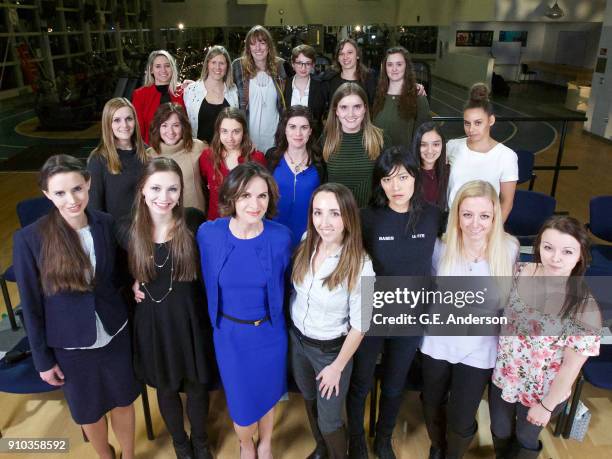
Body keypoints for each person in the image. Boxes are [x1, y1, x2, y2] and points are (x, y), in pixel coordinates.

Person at [13, 155, 140, 459]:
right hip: (70, 345)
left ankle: (130, 455)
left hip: (114, 333)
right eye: (60, 193)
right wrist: (43, 360)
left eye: (77, 189)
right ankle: (106, 455)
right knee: (89, 413)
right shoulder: (30, 239)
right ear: (46, 194)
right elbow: (30, 304)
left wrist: (137, 281)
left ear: (89, 184)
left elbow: (120, 275)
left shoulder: (105, 223)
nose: (71, 199)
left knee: (124, 401)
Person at [347, 147, 440, 459]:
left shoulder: (432, 216)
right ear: (380, 183)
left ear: (415, 177)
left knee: (394, 384)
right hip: (370, 314)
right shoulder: (367, 218)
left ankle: (383, 438)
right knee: (360, 382)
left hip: (410, 315)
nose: (396, 186)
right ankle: (356, 438)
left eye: (402, 177)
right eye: (388, 179)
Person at [196, 163, 292, 459]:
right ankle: (246, 444)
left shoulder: (281, 237)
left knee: (269, 392)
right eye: (246, 195)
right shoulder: (208, 234)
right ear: (232, 198)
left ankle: (265, 443)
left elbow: (289, 283)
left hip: (270, 332)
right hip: (231, 336)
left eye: (262, 196)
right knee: (241, 403)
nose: (255, 204)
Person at [121, 157, 214, 459]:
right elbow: (117, 275)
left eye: (172, 189)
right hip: (153, 322)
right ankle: (180, 443)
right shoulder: (129, 230)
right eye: (156, 188)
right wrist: (134, 281)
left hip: (190, 318)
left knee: (198, 386)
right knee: (166, 386)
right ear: (142, 191)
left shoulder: (194, 221)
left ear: (181, 191)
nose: (164, 197)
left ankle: (200, 441)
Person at [420, 180, 518, 459]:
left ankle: (454, 453)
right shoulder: (441, 247)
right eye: (467, 214)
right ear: (457, 216)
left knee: (462, 416)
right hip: (437, 343)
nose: (475, 223)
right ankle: (437, 445)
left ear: (495, 217)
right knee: (431, 403)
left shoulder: (508, 250)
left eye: (484, 216)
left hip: (479, 348)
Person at [490, 216, 601, 459]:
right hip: (505, 376)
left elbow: (572, 367)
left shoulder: (584, 306)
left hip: (543, 389)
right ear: (538, 246)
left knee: (525, 436)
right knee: (499, 429)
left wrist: (546, 406)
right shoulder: (519, 272)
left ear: (580, 255)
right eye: (548, 247)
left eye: (567, 251)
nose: (555, 258)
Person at [290, 182, 375, 459]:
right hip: (299, 342)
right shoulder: (306, 241)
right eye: (318, 213)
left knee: (330, 421)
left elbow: (362, 324)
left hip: (330, 352)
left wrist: (337, 367)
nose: (324, 222)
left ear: (348, 217)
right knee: (309, 399)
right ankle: (322, 449)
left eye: (334, 214)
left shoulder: (361, 265)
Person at [447, 83, 518, 222]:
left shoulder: (507, 156)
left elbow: (507, 203)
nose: (471, 129)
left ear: (491, 120)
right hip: (452, 222)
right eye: (467, 123)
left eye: (478, 123)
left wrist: (492, 233)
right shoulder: (452, 146)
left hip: (485, 226)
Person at [267, 105, 325, 247]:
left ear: (310, 131)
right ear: (284, 129)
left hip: (308, 237)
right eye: (292, 127)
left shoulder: (319, 162)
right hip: (274, 234)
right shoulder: (271, 158)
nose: (298, 133)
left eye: (304, 127)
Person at [322, 82, 386, 208]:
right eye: (344, 107)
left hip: (371, 216)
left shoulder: (380, 139)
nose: (350, 114)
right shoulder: (326, 140)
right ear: (336, 111)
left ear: (365, 108)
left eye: (357, 107)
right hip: (336, 216)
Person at [199, 107, 266, 220]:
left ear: (244, 132)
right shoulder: (207, 156)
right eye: (224, 131)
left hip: (246, 222)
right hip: (216, 221)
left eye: (236, 131)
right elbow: (204, 187)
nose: (230, 138)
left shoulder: (256, 157)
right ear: (218, 131)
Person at [87, 97, 148, 221]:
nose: (124, 125)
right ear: (108, 124)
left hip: (149, 229)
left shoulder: (148, 153)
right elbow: (94, 209)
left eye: (129, 119)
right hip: (117, 235)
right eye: (117, 120)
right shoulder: (98, 160)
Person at [232, 25, 287, 152]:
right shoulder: (238, 66)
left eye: (262, 43)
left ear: (269, 46)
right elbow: (222, 84)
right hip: (248, 142)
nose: (258, 48)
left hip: (275, 141)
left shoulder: (280, 66)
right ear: (248, 48)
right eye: (253, 44)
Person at [147, 103, 207, 212]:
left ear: (183, 126)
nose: (170, 131)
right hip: (163, 218)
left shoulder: (198, 147)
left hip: (196, 217)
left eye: (175, 125)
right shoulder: (149, 156)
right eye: (164, 125)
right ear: (157, 127)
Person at [371, 46, 431, 148]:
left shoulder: (418, 98)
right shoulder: (377, 95)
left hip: (404, 161)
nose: (394, 69)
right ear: (384, 68)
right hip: (378, 160)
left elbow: (423, 137)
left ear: (406, 67)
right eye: (390, 65)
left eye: (399, 64)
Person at [184, 45, 239, 144]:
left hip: (227, 151)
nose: (217, 67)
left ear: (227, 66)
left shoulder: (233, 90)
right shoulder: (191, 90)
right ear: (207, 64)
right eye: (213, 62)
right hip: (199, 153)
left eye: (221, 63)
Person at [132, 50, 185, 144]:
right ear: (151, 70)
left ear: (172, 68)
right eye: (158, 66)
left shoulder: (183, 91)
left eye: (167, 66)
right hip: (152, 149)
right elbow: (139, 128)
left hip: (180, 149)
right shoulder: (140, 95)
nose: (163, 70)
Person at [282, 44, 328, 137]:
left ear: (313, 65)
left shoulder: (321, 86)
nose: (303, 68)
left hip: (314, 139)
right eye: (299, 63)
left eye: (307, 63)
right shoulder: (284, 85)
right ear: (293, 63)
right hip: (289, 139)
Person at [322, 38, 377, 106]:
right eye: (341, 54)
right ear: (338, 58)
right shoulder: (329, 80)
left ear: (357, 55)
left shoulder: (369, 78)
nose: (345, 57)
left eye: (350, 52)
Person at [412, 122, 449, 211]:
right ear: (417, 146)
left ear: (442, 145)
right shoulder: (409, 173)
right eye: (423, 145)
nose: (430, 150)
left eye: (436, 144)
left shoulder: (448, 171)